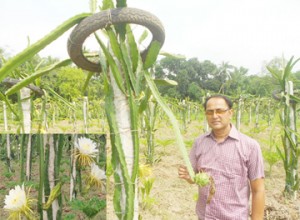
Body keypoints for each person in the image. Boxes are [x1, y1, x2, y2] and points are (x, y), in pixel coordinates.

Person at [178, 94, 265, 220]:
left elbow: (258, 190)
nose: (214, 116)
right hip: (204, 216)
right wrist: (188, 177)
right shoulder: (199, 142)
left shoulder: (250, 146)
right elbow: (194, 177)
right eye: (210, 112)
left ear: (230, 113)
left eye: (220, 111)